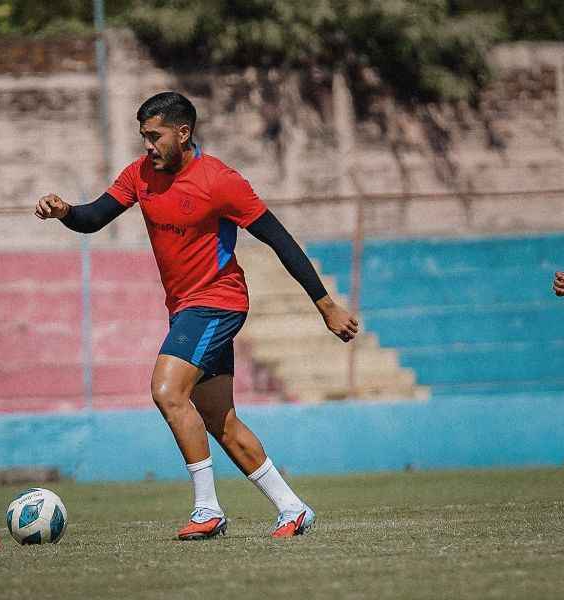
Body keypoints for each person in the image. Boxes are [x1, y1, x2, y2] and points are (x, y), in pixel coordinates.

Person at [35, 91, 359, 539]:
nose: (148, 145)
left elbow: (279, 239)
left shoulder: (220, 180)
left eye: (155, 136)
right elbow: (94, 218)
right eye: (144, 136)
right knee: (218, 418)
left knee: (166, 391)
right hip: (185, 308)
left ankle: (207, 509)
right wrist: (65, 211)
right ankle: (293, 508)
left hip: (217, 301)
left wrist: (325, 305)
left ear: (183, 133)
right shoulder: (140, 174)